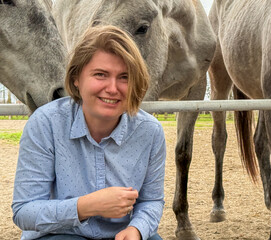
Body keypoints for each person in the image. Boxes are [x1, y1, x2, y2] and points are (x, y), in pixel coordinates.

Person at [12, 25, 166, 240]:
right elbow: (24, 212)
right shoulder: (46, 123)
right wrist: (87, 206)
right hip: (59, 233)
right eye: (100, 74)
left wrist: (137, 230)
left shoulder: (150, 131)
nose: (113, 88)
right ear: (76, 78)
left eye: (124, 77)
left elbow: (151, 201)